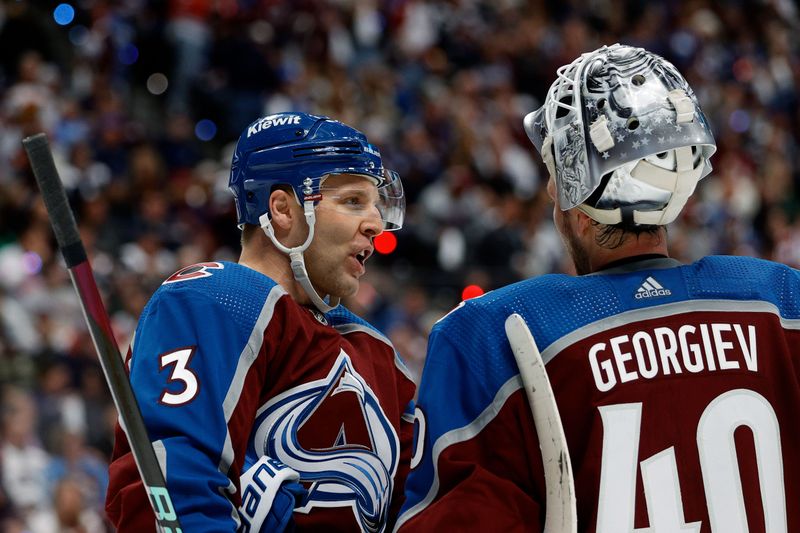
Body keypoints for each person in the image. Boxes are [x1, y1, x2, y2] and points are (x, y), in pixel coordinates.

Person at [397, 43, 800, 532]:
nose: (548, 190)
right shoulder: (779, 303)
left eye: (553, 173)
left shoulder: (491, 335)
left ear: (571, 183)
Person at [105, 112, 416, 532]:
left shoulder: (377, 353)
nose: (376, 225)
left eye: (377, 205)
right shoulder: (214, 299)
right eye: (352, 201)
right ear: (283, 210)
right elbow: (171, 483)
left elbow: (424, 508)